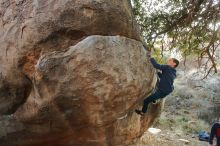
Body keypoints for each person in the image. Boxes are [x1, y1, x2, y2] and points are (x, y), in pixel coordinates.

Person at [135, 50, 179, 115]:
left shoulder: (167, 67)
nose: (168, 61)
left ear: (174, 64)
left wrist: (151, 57)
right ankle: (155, 99)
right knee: (155, 91)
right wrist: (159, 74)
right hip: (169, 90)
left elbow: (157, 66)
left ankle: (142, 112)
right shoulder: (174, 72)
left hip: (163, 90)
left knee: (146, 101)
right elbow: (166, 78)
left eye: (170, 60)